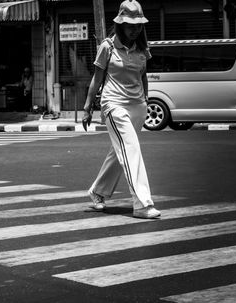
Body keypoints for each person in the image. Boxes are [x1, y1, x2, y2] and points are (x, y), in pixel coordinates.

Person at [82, 0, 160, 219]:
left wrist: (145, 98)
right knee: (131, 150)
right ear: (120, 25)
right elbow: (96, 80)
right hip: (114, 105)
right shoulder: (107, 47)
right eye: (130, 25)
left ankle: (98, 192)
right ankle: (143, 204)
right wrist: (88, 108)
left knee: (120, 153)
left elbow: (142, 75)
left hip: (138, 107)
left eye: (138, 26)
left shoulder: (143, 49)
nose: (135, 30)